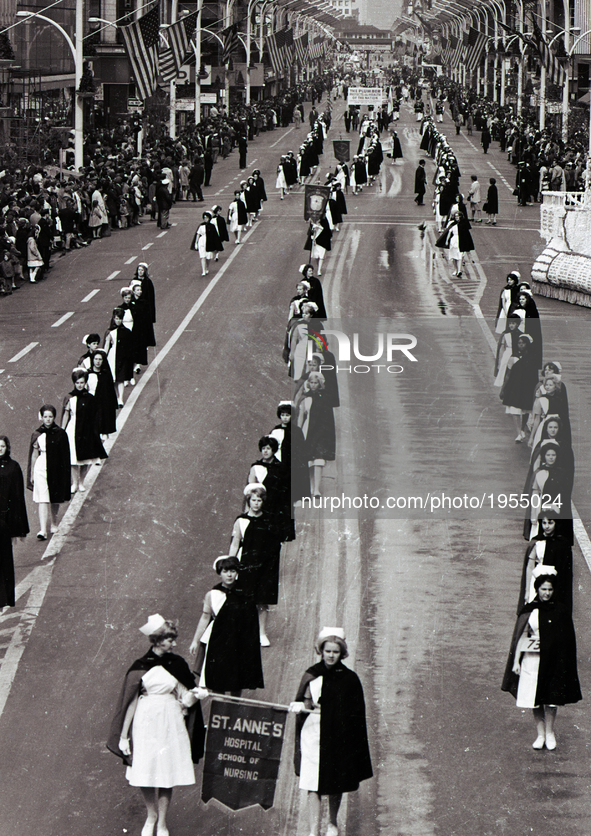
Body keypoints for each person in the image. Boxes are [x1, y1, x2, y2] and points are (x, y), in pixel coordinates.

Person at [108, 615, 205, 836]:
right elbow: (130, 702)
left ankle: (162, 823)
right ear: (158, 640)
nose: (174, 644)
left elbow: (184, 696)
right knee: (146, 769)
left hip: (170, 722)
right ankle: (151, 816)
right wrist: (124, 736)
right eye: (170, 639)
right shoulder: (141, 666)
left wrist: (197, 694)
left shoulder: (177, 664)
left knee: (166, 771)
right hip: (145, 722)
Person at [289, 628, 372, 836]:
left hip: (338, 737)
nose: (331, 655)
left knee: (335, 782)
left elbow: (355, 715)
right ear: (321, 651)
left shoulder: (350, 679)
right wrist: (299, 707)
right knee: (312, 783)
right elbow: (305, 704)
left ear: (341, 653)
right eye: (328, 651)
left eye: (335, 652)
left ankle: (332, 823)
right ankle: (312, 830)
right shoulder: (312, 675)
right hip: (313, 735)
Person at [501, 568, 581, 750]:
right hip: (532, 661)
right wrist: (516, 662)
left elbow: (567, 639)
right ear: (537, 589)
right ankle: (540, 734)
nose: (546, 593)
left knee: (551, 699)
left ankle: (550, 732)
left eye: (550, 590)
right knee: (534, 698)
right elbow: (521, 637)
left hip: (553, 661)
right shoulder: (530, 610)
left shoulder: (560, 610)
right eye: (543, 589)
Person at [189, 556, 264, 695]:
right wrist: (195, 640)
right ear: (220, 572)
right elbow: (205, 617)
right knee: (218, 679)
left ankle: (234, 710)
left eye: (233, 571)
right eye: (225, 571)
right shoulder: (212, 594)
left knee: (237, 679)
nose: (229, 575)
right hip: (218, 640)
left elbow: (251, 621)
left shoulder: (245, 594)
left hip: (239, 642)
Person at [228, 483, 282, 646]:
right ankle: (243, 632)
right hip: (246, 565)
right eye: (253, 500)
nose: (256, 503)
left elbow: (274, 545)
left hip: (265, 567)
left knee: (262, 601)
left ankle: (261, 633)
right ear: (248, 501)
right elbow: (235, 543)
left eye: (259, 500)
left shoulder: (269, 520)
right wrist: (231, 564)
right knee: (244, 599)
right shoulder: (241, 521)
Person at [27, 405, 71, 541]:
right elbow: (34, 454)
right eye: (45, 416)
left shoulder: (60, 433)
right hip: (41, 467)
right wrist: (32, 473)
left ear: (54, 417)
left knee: (54, 497)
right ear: (41, 417)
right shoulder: (37, 434)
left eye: (50, 416)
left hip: (56, 467)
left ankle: (53, 523)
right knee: (43, 499)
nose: (47, 419)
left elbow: (65, 454)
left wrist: (65, 473)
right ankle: (43, 530)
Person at [61, 368, 108, 493]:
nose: (80, 385)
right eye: (77, 383)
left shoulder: (90, 398)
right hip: (72, 430)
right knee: (73, 459)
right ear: (74, 383)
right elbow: (66, 415)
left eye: (82, 382)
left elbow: (95, 416)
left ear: (85, 383)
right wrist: (62, 430)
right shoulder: (70, 398)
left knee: (85, 458)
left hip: (87, 431)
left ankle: (81, 482)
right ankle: (74, 483)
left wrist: (96, 431)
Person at [0, 436, 29, 612]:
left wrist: (18, 530)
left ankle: (3, 601)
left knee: (4, 563)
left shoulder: (13, 467)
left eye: (2, 446)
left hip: (4, 524)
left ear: (7, 448)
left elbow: (18, 499)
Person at [298, 372, 336, 497]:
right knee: (308, 460)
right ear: (309, 384)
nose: (313, 385)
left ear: (319, 384)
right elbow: (301, 417)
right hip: (307, 431)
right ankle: (309, 487)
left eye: (316, 383)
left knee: (318, 460)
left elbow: (328, 419)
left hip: (321, 433)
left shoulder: (325, 398)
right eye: (311, 383)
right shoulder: (306, 399)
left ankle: (316, 490)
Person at [104, 308, 136, 408]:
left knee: (121, 379)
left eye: (120, 319)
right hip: (112, 357)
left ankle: (120, 399)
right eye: (116, 318)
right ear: (113, 319)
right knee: (113, 379)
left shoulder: (126, 332)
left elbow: (130, 347)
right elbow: (106, 347)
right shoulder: (109, 332)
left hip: (122, 357)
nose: (118, 321)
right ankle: (115, 398)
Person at [87, 350, 118, 439]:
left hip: (104, 403)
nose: (97, 361)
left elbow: (110, 390)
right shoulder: (88, 373)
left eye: (100, 359)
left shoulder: (106, 374)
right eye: (96, 359)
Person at [191, 211, 222, 277]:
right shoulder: (201, 226)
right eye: (204, 218)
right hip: (202, 241)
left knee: (208, 257)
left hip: (209, 242)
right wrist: (196, 243)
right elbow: (198, 234)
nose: (205, 219)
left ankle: (207, 267)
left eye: (207, 218)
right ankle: (203, 270)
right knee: (203, 256)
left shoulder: (212, 226)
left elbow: (215, 236)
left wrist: (216, 246)